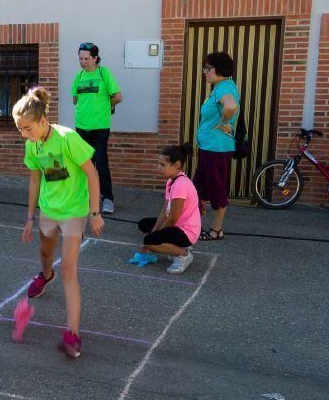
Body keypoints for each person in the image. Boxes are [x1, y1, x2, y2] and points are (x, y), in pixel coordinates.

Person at [16, 86, 104, 359]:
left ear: (43, 121)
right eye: (20, 129)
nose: (24, 134)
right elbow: (35, 179)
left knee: (68, 269)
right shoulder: (32, 144)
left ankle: (72, 334)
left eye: (28, 128)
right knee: (45, 252)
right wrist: (30, 218)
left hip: (74, 211)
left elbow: (92, 173)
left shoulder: (68, 138)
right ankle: (45, 275)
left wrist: (95, 212)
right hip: (48, 209)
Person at [192, 51, 240, 241]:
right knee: (197, 188)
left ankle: (216, 230)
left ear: (219, 69)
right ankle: (192, 224)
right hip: (209, 148)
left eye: (208, 68)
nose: (205, 71)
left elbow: (230, 106)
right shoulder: (221, 87)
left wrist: (222, 122)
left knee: (216, 188)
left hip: (216, 149)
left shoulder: (223, 87)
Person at [72, 42, 122, 214]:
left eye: (86, 58)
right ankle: (85, 198)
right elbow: (75, 99)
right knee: (85, 164)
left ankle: (107, 198)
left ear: (95, 58)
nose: (83, 62)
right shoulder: (78, 76)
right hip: (81, 127)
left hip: (100, 127)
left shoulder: (104, 73)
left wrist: (104, 107)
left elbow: (117, 97)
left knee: (100, 162)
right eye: (80, 58)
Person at [137, 143, 201, 274]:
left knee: (150, 243)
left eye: (162, 165)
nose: (158, 167)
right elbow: (164, 212)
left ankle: (183, 254)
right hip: (178, 226)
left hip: (187, 231)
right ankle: (174, 246)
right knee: (144, 225)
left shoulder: (181, 184)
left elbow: (172, 218)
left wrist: (154, 238)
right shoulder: (171, 181)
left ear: (176, 165)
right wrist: (154, 232)